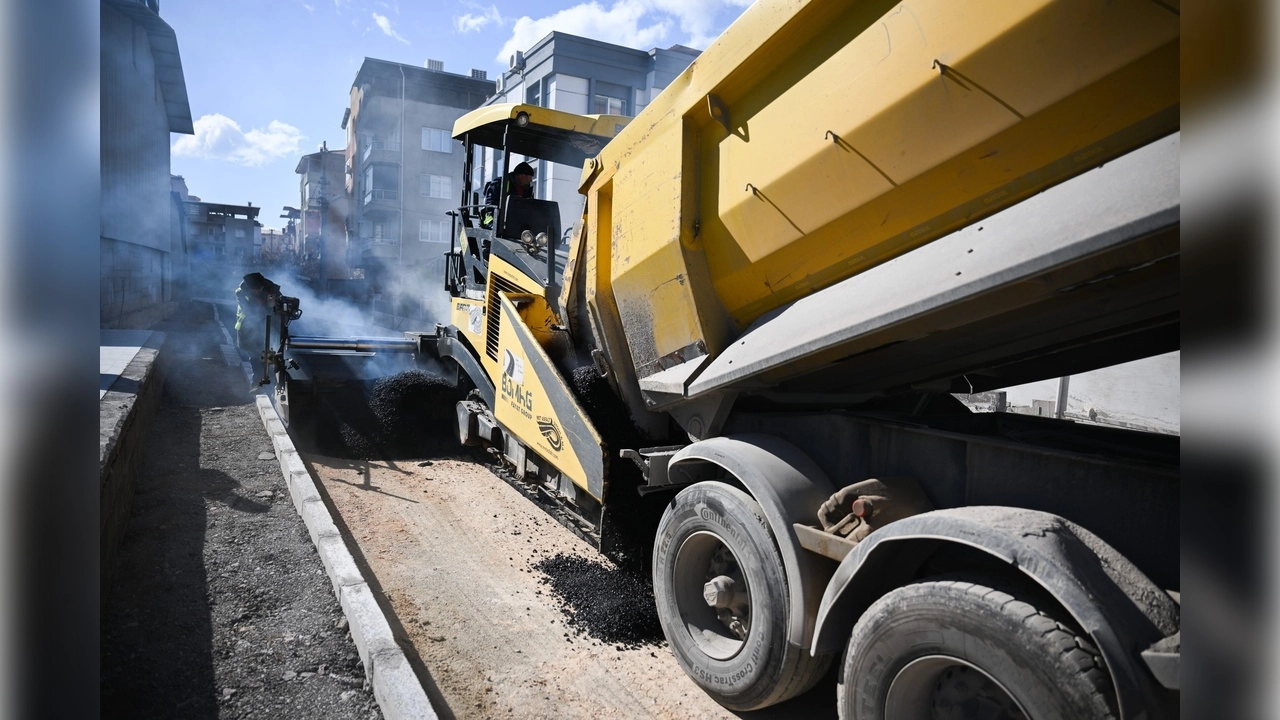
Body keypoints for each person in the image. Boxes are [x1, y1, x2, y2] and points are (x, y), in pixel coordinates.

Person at [234, 272, 280, 388]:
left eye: (259, 289)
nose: (257, 292)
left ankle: (272, 380)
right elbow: (249, 311)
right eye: (255, 291)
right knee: (254, 355)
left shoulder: (272, 289)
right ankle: (257, 382)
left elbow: (276, 307)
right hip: (249, 327)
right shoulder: (241, 293)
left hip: (270, 326)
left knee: (271, 352)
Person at [482, 161, 536, 228]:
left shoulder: (528, 191)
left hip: (517, 224)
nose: (531, 180)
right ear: (522, 176)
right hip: (497, 223)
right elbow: (490, 206)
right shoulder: (499, 184)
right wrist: (494, 225)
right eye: (530, 177)